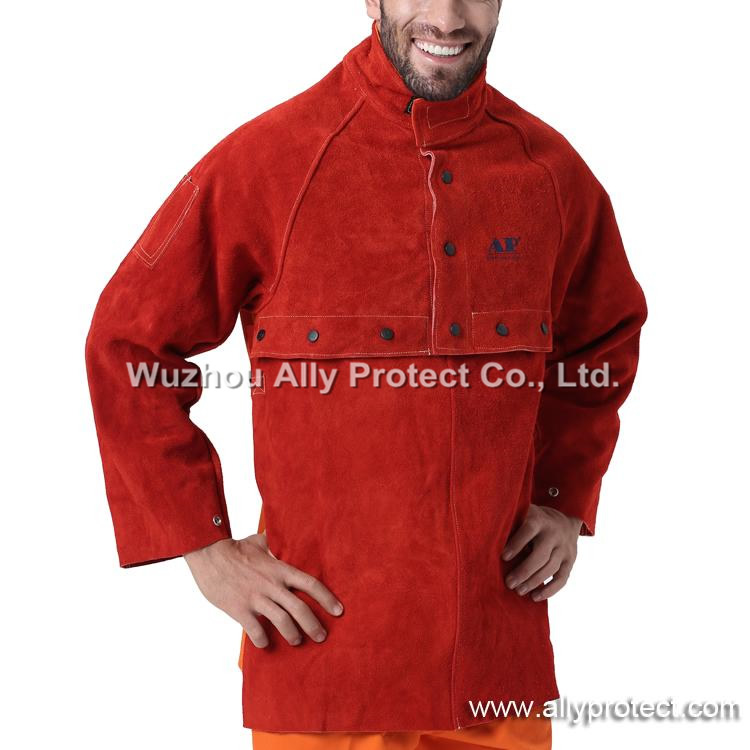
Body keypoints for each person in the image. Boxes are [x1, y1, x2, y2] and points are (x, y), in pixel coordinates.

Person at [85, 1, 648, 748]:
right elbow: (129, 344)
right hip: (322, 666)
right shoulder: (271, 161)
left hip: (494, 671)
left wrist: (562, 500)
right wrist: (205, 549)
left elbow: (603, 338)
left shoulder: (552, 175)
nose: (446, 17)